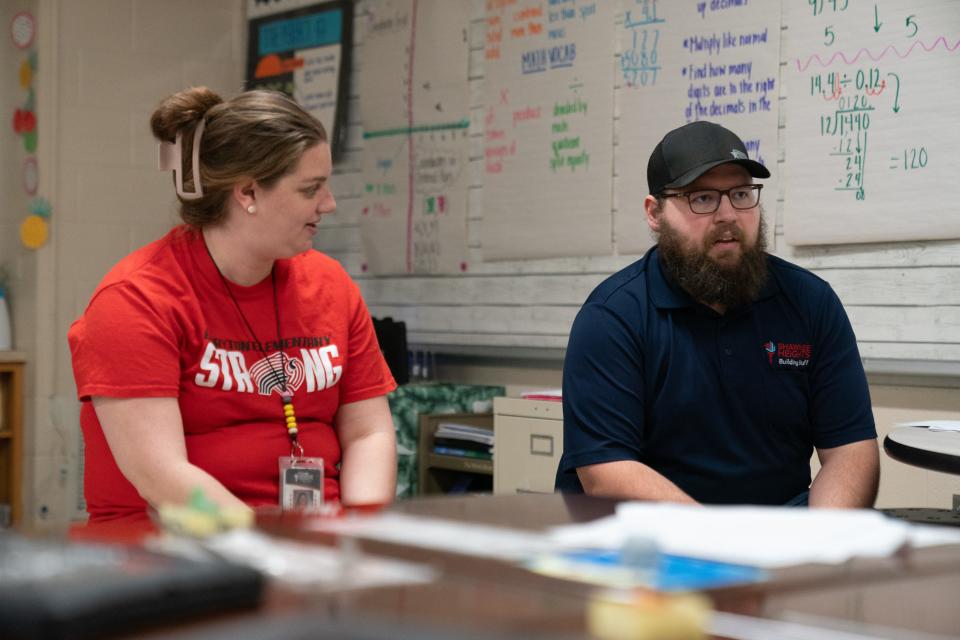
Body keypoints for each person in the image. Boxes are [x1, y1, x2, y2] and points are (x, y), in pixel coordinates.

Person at [69, 87, 398, 523]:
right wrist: (270, 552)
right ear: (247, 193)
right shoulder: (136, 299)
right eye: (310, 189)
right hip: (171, 554)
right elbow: (160, 475)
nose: (329, 204)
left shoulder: (331, 285)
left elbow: (368, 433)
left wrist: (359, 533)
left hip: (312, 551)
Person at [555, 121, 879, 508]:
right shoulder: (613, 318)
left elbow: (850, 451)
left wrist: (819, 545)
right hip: (647, 545)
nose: (728, 214)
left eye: (741, 194)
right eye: (703, 198)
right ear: (654, 213)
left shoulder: (810, 302)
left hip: (778, 536)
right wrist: (723, 545)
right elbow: (608, 473)